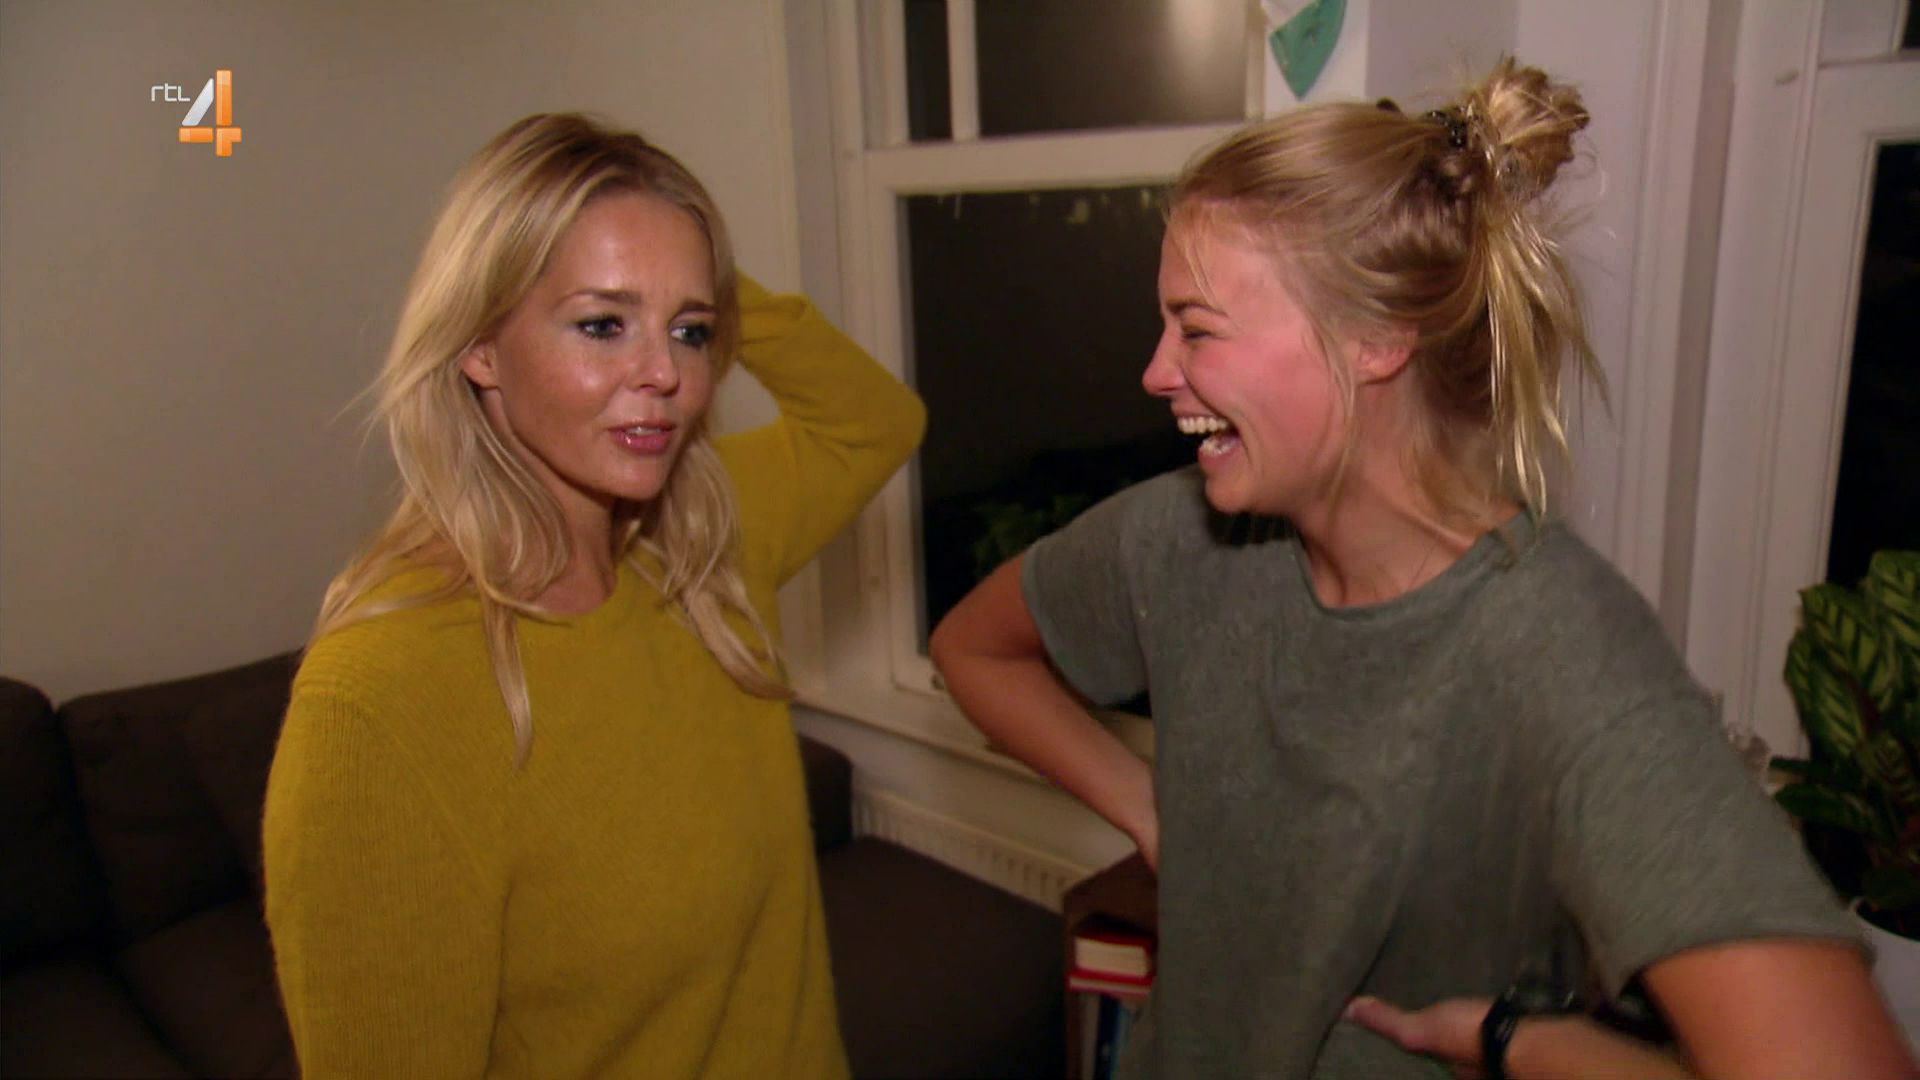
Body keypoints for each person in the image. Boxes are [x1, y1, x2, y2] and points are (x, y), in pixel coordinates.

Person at [930, 59, 1914, 1079]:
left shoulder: (1558, 653)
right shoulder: (1174, 536)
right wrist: (1154, 812)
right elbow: (973, 650)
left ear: (1376, 338)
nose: (1154, 372)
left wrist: (1535, 1047)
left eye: (1198, 328)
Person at [263, 113, 924, 1078]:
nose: (666, 376)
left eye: (691, 333)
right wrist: (671, 283)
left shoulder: (703, 546)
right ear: (479, 345)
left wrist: (690, 269)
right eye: (602, 325)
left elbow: (877, 420)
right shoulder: (384, 696)